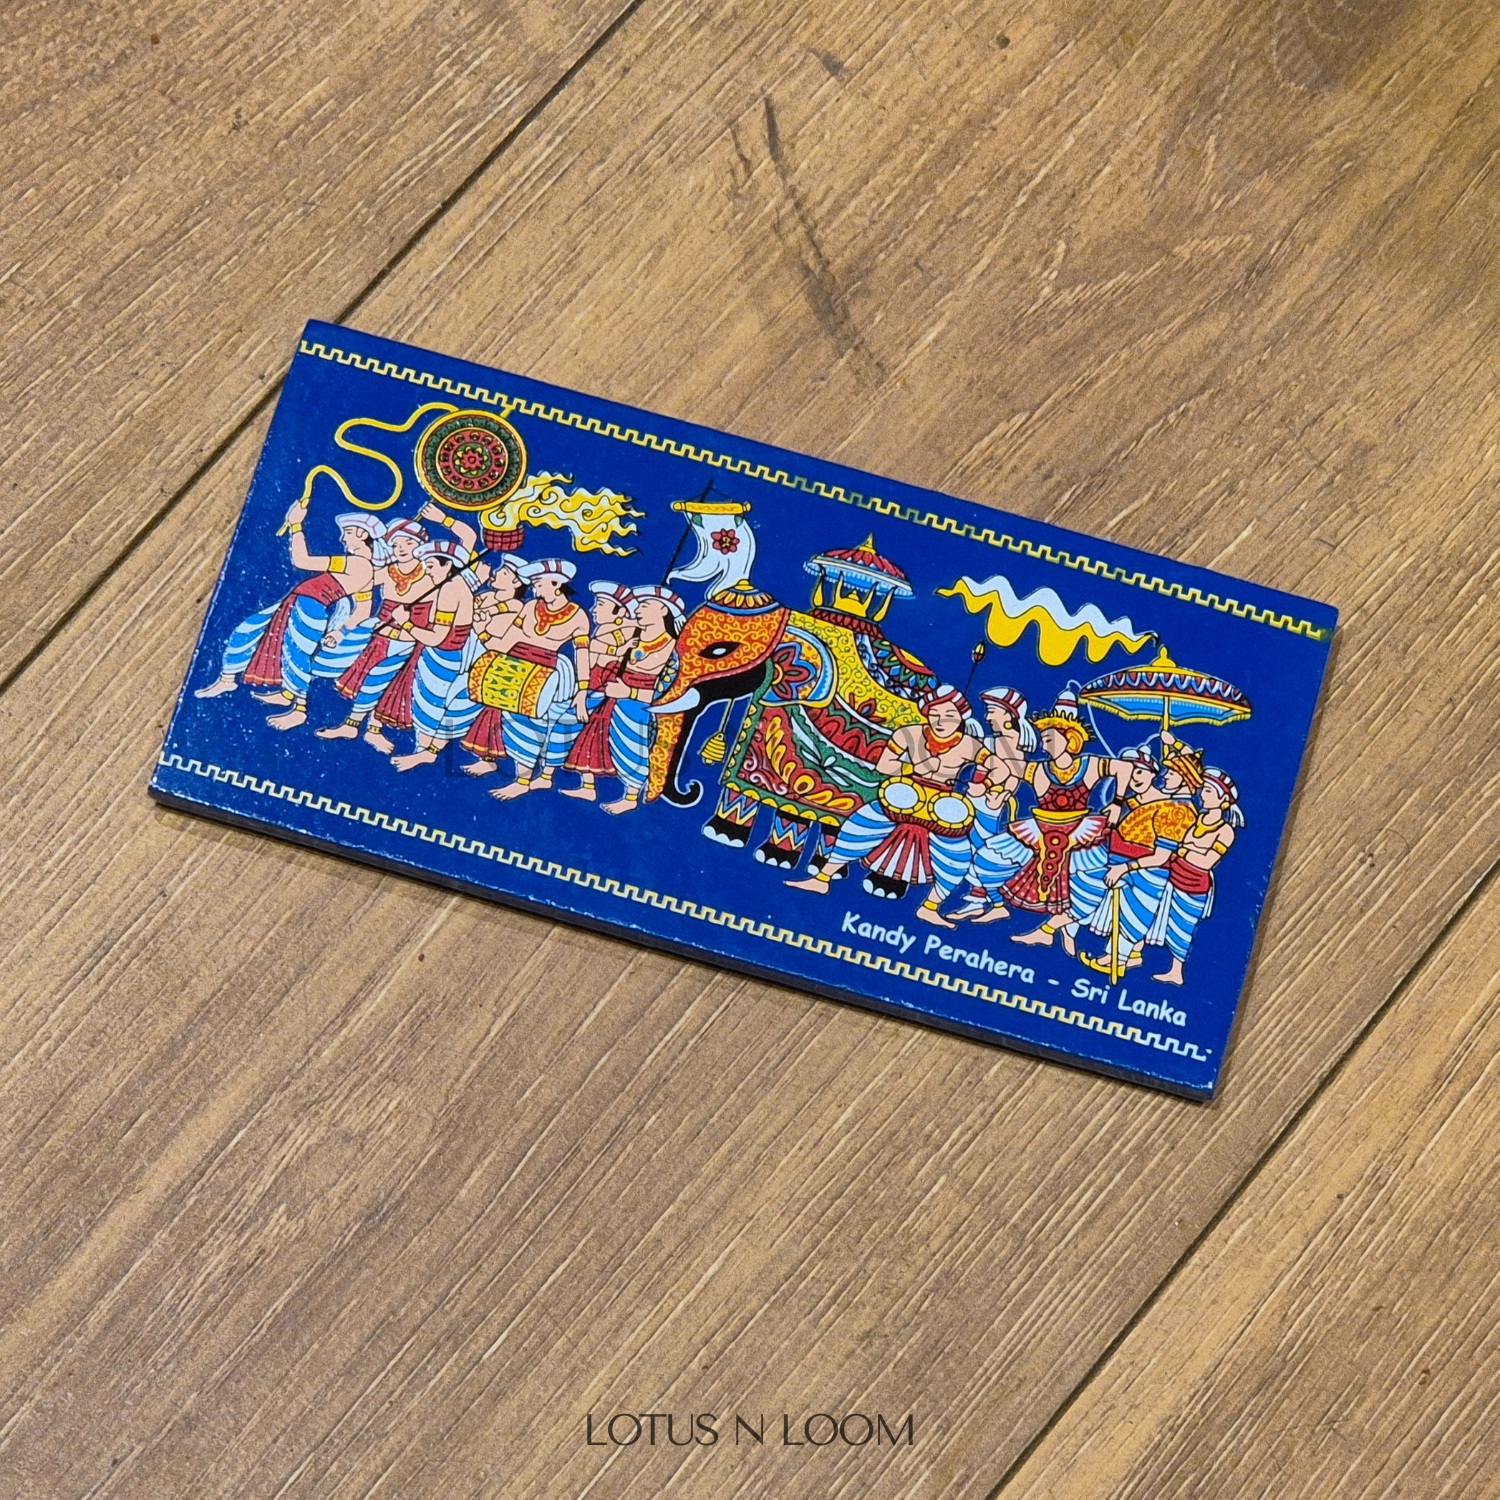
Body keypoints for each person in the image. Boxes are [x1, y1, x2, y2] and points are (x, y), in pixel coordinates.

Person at [786, 685, 984, 927]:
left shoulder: (970, 746)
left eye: (949, 715)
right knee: (859, 826)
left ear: (961, 717)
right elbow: (884, 765)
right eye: (935, 714)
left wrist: (980, 785)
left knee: (957, 856)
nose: (941, 721)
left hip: (943, 804)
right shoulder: (909, 734)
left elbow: (997, 768)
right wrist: (912, 767)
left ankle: (930, 907)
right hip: (905, 792)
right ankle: (822, 878)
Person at [195, 502, 378, 729]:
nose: (343, 538)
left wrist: (296, 525)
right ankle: (233, 680)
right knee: (251, 629)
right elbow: (362, 610)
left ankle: (299, 710)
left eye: (348, 532)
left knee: (296, 656)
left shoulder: (356, 563)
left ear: (362, 534)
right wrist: (340, 633)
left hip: (309, 609)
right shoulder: (367, 571)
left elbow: (302, 561)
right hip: (297, 604)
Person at [1006, 692, 1137, 953]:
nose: (1044, 745)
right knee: (994, 860)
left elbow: (1125, 768)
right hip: (1040, 832)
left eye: (1049, 738)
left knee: (1091, 892)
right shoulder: (1037, 769)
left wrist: (1117, 802)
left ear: (1069, 739)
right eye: (1043, 738)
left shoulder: (1089, 765)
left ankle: (1048, 930)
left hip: (1081, 834)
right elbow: (1007, 767)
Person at [1076, 746, 1197, 975]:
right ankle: (1121, 956)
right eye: (1129, 772)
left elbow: (1161, 856)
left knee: (1133, 915)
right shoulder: (1135, 804)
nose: (1134, 778)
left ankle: (1118, 960)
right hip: (1120, 863)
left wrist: (1124, 868)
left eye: (1140, 771)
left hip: (1146, 872)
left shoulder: (1176, 810)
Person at [316, 517, 431, 744]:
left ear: (420, 545)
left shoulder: (432, 576)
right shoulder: (385, 572)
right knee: (373, 683)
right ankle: (359, 727)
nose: (401, 549)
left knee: (386, 686)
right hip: (380, 637)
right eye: (396, 544)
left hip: (410, 641)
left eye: (408, 543)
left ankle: (367, 728)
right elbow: (361, 598)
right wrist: (340, 631)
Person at [488, 559, 591, 800]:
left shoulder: (578, 616)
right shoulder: (531, 606)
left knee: (532, 726)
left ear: (556, 583)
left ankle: (523, 781)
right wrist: (486, 640)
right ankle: (518, 775)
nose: (534, 588)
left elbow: (582, 655)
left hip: (546, 674)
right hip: (514, 668)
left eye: (539, 583)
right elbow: (510, 638)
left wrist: (582, 692)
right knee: (511, 722)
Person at [1144, 762, 1241, 984]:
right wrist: (1190, 849)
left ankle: (1176, 972)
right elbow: (1187, 848)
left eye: (1208, 791)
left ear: (1223, 800)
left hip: (1194, 884)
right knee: (1162, 920)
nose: (1202, 794)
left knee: (1183, 927)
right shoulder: (1197, 818)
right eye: (1203, 789)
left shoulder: (1225, 831)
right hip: (1174, 877)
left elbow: (1206, 861)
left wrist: (1185, 849)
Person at [951, 686, 1035, 924]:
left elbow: (1013, 774)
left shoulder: (1011, 742)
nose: (987, 717)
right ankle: (978, 899)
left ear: (1009, 715)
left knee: (979, 848)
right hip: (976, 797)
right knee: (969, 846)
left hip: (989, 802)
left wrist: (997, 792)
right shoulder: (994, 740)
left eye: (992, 711)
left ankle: (988, 901)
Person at [597, 586, 682, 815]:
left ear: (663, 610)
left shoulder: (673, 649)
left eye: (645, 606)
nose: (637, 610)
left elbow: (668, 693)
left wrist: (630, 693)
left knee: (634, 752)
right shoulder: (633, 636)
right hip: (613, 699)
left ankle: (631, 797)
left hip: (641, 708)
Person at [560, 582, 639, 801]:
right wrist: (621, 648)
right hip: (593, 691)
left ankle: (591, 787)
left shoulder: (620, 631)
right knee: (588, 739)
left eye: (601, 604)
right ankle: (587, 786)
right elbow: (594, 652)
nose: (593, 609)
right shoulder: (608, 632)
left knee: (591, 738)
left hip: (604, 695)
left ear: (619, 611)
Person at [456, 553, 530, 775]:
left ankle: (488, 759)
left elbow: (500, 645)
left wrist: (481, 629)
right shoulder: (487, 596)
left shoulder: (516, 608)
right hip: (466, 653)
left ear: (516, 582)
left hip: (495, 666)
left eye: (504, 572)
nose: (496, 573)